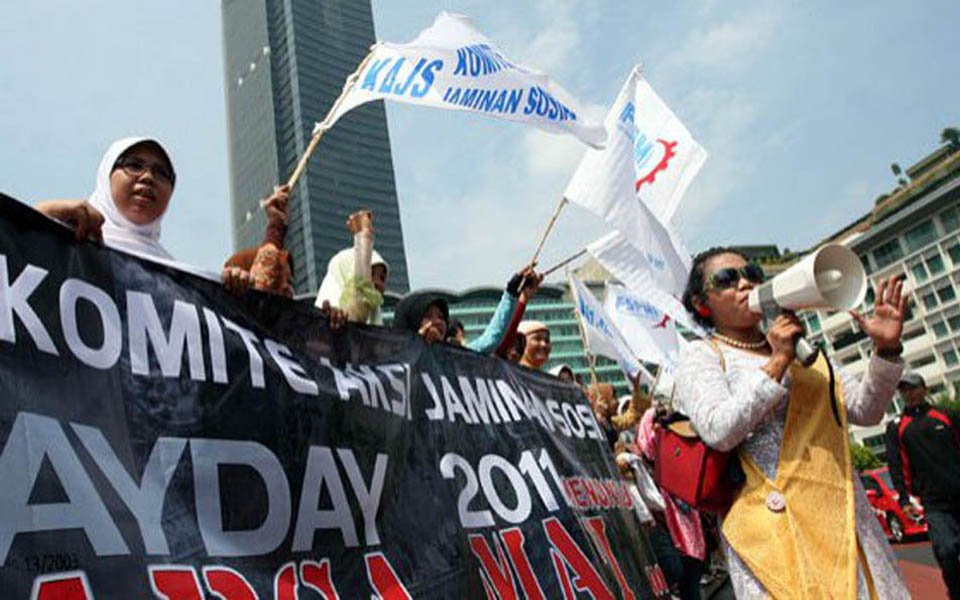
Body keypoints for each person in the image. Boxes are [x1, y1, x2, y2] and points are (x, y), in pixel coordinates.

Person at [675, 246, 909, 598]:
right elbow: (719, 430)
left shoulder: (803, 350)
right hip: (776, 534)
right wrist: (777, 362)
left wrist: (886, 350)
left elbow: (865, 410)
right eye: (727, 279)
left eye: (752, 273)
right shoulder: (703, 356)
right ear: (701, 303)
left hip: (843, 520)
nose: (745, 283)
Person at [36, 137, 178, 260]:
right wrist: (44, 213)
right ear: (106, 176)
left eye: (161, 173)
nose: (148, 177)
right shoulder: (68, 239)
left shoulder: (179, 281)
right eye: (134, 166)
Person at [885, 372, 960, 598]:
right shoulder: (896, 427)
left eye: (914, 388)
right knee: (946, 550)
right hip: (935, 504)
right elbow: (896, 465)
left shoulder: (947, 415)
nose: (910, 393)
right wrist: (904, 499)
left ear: (924, 389)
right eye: (905, 389)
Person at [314, 210, 388, 325]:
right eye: (371, 274)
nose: (378, 283)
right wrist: (363, 238)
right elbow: (356, 312)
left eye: (382, 278)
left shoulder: (384, 338)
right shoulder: (321, 329)